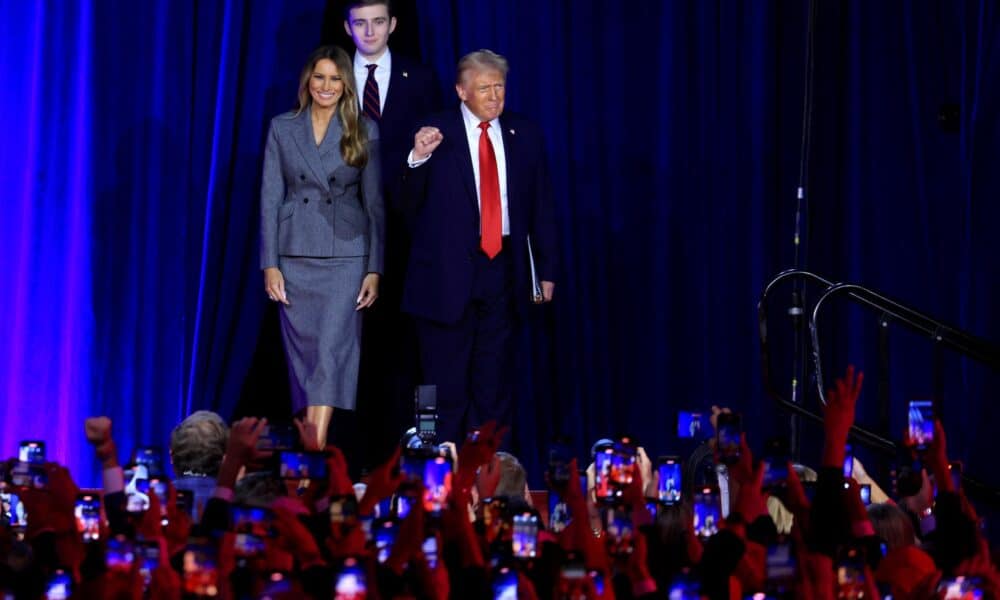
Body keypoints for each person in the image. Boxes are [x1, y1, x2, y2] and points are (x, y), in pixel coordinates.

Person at [399, 49, 558, 446]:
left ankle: (492, 471)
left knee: (495, 384)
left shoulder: (526, 134)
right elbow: (403, 204)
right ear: (461, 90)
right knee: (437, 386)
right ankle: (432, 464)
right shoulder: (433, 130)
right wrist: (417, 158)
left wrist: (548, 270)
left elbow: (542, 206)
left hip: (503, 273)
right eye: (484, 88)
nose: (493, 96)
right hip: (443, 279)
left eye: (499, 87)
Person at [260, 45, 385, 448]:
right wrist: (270, 264)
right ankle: (312, 456)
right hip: (294, 257)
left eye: (335, 79)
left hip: (346, 259)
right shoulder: (282, 127)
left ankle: (312, 452)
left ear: (346, 84)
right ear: (307, 81)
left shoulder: (364, 129)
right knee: (308, 362)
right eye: (319, 77)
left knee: (331, 355)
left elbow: (375, 204)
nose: (326, 86)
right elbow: (269, 198)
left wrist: (374, 268)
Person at [343, 0, 443, 467]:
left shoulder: (419, 79)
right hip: (346, 234)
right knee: (352, 348)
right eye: (360, 23)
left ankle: (414, 448)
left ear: (393, 25)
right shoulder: (333, 77)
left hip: (408, 233)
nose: (370, 31)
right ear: (348, 27)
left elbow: (435, 159)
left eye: (378, 22)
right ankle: (355, 454)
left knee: (410, 347)